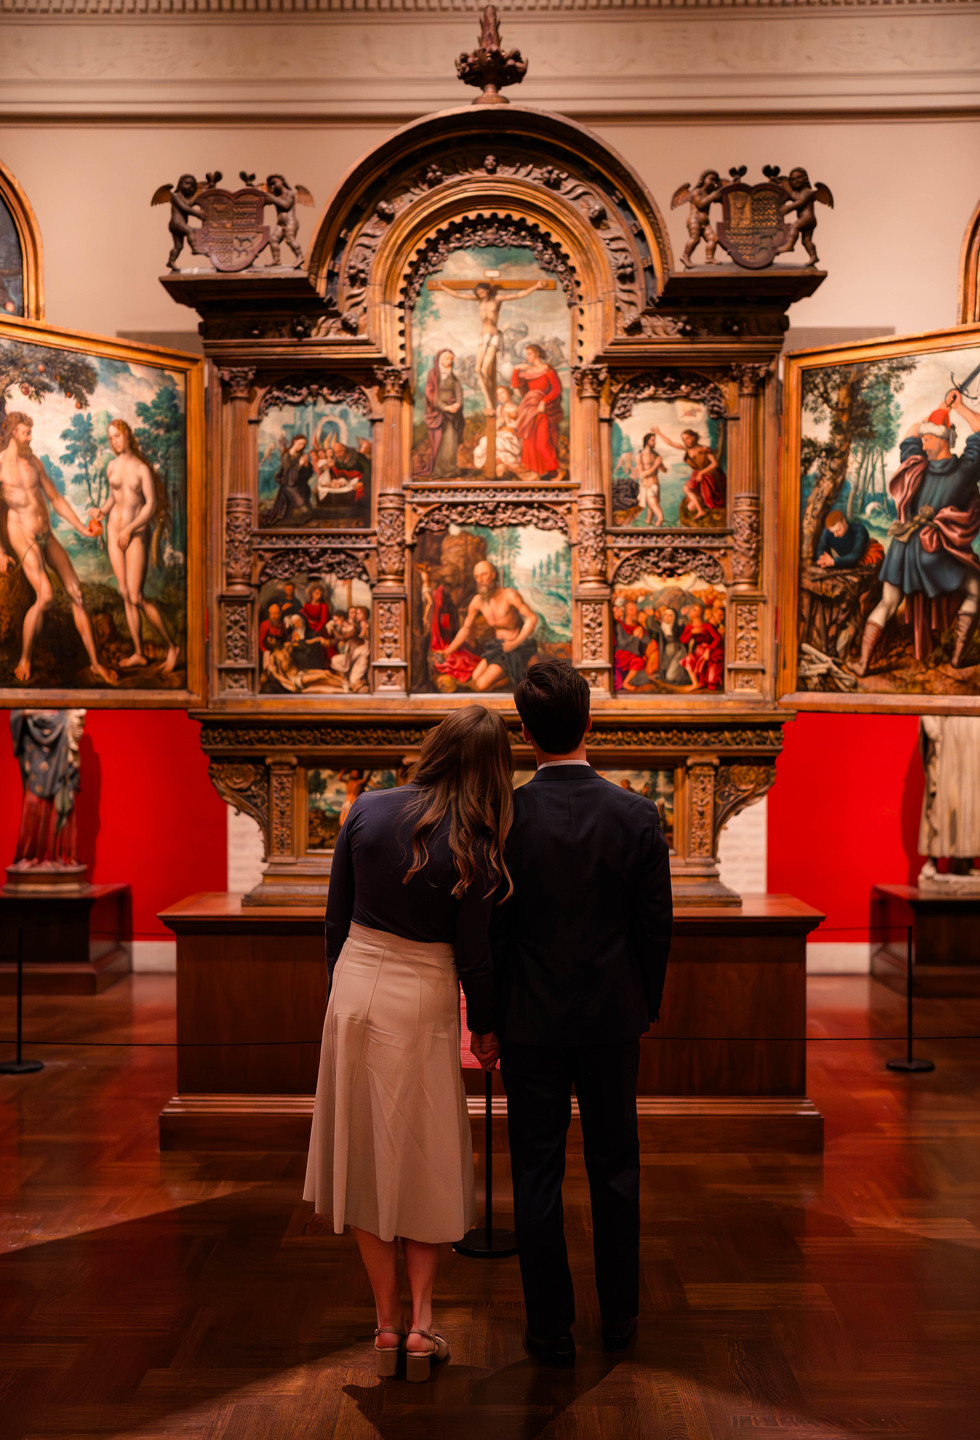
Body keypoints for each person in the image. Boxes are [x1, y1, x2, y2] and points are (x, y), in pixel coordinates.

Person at [304, 706, 513, 1381]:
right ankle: (422, 1327)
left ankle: (385, 1326)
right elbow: (475, 953)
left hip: (356, 983)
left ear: (436, 748)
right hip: (424, 994)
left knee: (366, 1157)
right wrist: (485, 1027)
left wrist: (340, 993)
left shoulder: (365, 808)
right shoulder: (479, 841)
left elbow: (335, 920)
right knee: (424, 1155)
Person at [477, 660, 672, 1366]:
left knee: (537, 1172)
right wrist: (643, 1005)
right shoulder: (636, 815)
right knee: (616, 1166)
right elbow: (655, 929)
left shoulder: (503, 819)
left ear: (525, 734)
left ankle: (549, 1328)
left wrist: (486, 1020)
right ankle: (619, 1318)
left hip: (530, 1022)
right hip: (611, 1019)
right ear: (591, 723)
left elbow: (492, 933)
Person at [851, 391, 980, 675]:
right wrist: (957, 407)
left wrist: (943, 407)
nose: (922, 442)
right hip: (935, 552)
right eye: (923, 439)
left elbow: (910, 433)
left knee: (888, 601)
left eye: (928, 438)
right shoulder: (965, 470)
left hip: (903, 549)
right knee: (975, 590)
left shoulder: (915, 467)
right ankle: (958, 658)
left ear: (942, 440)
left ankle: (862, 664)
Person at [0, 411, 116, 686]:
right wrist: (0, 552)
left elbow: (54, 498)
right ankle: (24, 659)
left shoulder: (33, 462)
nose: (30, 437)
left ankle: (95, 663)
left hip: (45, 534)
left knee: (77, 593)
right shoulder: (1, 465)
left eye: (30, 432)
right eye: (26, 433)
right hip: (22, 533)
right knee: (46, 596)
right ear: (14, 432)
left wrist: (80, 527)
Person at [95, 419, 179, 673]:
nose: (114, 441)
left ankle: (172, 647)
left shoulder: (142, 469)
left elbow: (150, 504)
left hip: (136, 533)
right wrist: (101, 511)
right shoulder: (111, 466)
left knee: (136, 596)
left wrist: (130, 529)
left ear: (127, 435)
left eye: (117, 436)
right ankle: (139, 653)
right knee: (124, 593)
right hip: (114, 531)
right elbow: (113, 497)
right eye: (111, 438)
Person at [436, 559, 539, 691]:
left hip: (517, 648)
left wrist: (515, 643)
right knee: (474, 678)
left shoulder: (509, 595)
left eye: (484, 574)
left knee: (480, 685)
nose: (481, 580)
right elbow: (465, 629)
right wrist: (447, 652)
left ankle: (517, 677)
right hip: (498, 648)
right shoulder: (477, 601)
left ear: (493, 575)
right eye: (477, 576)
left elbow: (532, 618)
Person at [511, 344, 563, 480]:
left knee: (542, 442)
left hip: (544, 410)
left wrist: (544, 401)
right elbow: (515, 384)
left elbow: (556, 390)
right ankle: (539, 472)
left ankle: (555, 471)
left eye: (529, 353)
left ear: (537, 354)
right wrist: (516, 369)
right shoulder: (529, 372)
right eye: (526, 353)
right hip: (529, 409)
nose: (527, 356)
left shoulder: (547, 370)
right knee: (530, 442)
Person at [652, 425, 726, 519]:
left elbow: (715, 464)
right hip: (698, 474)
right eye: (684, 440)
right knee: (689, 503)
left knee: (693, 496)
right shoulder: (687, 449)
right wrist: (659, 433)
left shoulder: (704, 449)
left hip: (709, 474)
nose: (686, 441)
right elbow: (670, 443)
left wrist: (701, 473)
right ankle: (700, 511)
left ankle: (702, 507)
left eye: (688, 438)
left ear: (694, 437)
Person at [423, 349, 464, 478]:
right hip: (438, 413)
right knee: (440, 442)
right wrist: (444, 407)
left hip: (452, 414)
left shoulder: (453, 376)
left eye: (451, 359)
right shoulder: (433, 374)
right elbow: (430, 393)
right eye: (447, 359)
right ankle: (440, 470)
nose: (449, 361)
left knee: (451, 441)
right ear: (440, 360)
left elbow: (458, 391)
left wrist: (458, 404)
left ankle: (450, 468)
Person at [814, 510, 884, 571]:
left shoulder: (859, 530)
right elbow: (820, 549)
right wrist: (823, 560)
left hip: (861, 564)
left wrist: (833, 562)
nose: (835, 535)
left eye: (838, 530)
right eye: (833, 532)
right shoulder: (828, 531)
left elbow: (854, 556)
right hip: (840, 565)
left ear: (844, 521)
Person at [267, 435, 313, 524]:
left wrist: (306, 465)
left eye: (303, 444)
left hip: (301, 485)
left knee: (307, 511)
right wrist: (300, 464)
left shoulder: (302, 455)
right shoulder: (286, 455)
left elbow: (307, 474)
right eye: (300, 443)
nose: (302, 446)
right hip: (290, 484)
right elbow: (288, 474)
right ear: (294, 441)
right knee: (303, 509)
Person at [636, 432, 665, 526]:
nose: (655, 442)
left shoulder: (656, 455)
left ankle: (660, 519)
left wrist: (660, 464)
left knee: (652, 503)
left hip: (654, 484)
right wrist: (656, 465)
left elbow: (664, 470)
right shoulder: (640, 455)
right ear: (647, 441)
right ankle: (649, 523)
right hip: (645, 484)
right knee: (650, 507)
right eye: (652, 440)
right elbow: (642, 474)